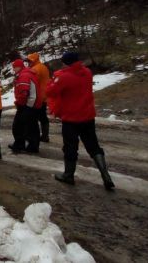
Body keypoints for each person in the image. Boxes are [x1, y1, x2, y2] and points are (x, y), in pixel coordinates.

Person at [47, 52, 115, 190]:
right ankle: (105, 175)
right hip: (88, 116)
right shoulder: (87, 72)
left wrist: (54, 79)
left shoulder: (64, 77)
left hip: (71, 118)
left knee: (70, 147)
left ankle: (68, 175)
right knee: (93, 146)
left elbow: (50, 92)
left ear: (66, 63)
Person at [8, 59, 42, 153]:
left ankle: (20, 145)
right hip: (34, 104)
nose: (13, 69)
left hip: (28, 105)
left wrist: (20, 104)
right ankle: (33, 146)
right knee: (32, 126)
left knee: (18, 126)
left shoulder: (24, 76)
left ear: (19, 66)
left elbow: (24, 93)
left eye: (14, 67)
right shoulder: (28, 73)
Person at [27, 53, 51, 143]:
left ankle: (34, 137)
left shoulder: (35, 69)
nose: (28, 63)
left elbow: (32, 82)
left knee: (33, 118)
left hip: (37, 97)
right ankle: (45, 135)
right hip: (44, 96)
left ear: (33, 60)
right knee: (42, 117)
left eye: (29, 61)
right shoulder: (43, 67)